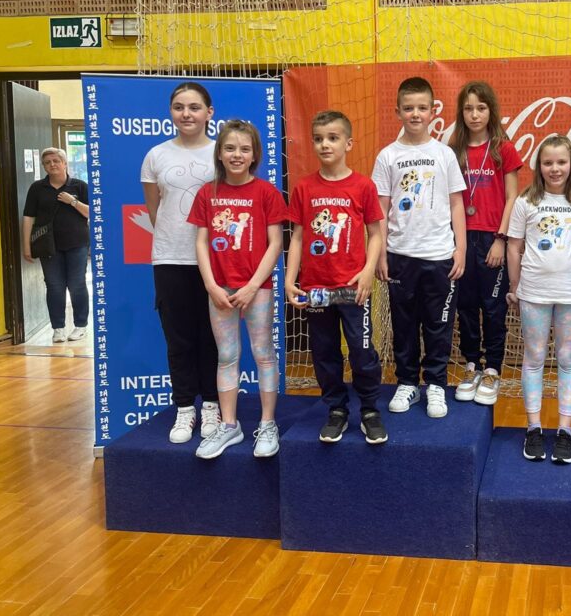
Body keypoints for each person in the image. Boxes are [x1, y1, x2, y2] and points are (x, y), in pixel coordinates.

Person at [188, 119, 287, 459]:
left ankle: (268, 423)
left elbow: (276, 244)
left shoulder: (267, 193)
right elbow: (200, 242)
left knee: (263, 353)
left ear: (254, 155)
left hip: (257, 290)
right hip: (220, 290)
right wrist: (211, 285)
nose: (237, 154)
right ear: (219, 152)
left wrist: (252, 286)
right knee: (227, 355)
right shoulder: (207, 192)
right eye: (230, 148)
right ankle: (229, 424)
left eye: (244, 149)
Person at [287, 111, 387, 445]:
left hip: (354, 287)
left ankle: (369, 410)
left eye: (332, 138)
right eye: (318, 139)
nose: (325, 144)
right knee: (324, 352)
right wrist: (290, 280)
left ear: (348, 143)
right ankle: (337, 410)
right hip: (316, 289)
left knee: (361, 351)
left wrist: (368, 271)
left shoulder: (363, 186)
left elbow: (376, 233)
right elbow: (297, 237)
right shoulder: (304, 187)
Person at [372, 77, 467, 418]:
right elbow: (380, 208)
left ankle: (437, 384)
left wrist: (460, 249)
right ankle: (408, 382)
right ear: (397, 111)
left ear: (432, 112)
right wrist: (381, 253)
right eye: (408, 108)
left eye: (422, 108)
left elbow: (456, 203)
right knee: (404, 324)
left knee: (439, 324)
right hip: (400, 255)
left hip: (440, 256)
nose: (415, 114)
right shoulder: (388, 156)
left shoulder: (444, 154)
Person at [141, 82, 221, 444]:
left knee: (213, 339)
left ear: (209, 113)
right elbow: (156, 211)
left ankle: (212, 406)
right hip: (170, 258)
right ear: (171, 112)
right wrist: (177, 239)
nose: (186, 114)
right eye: (179, 107)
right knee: (179, 339)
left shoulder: (221, 153)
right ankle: (185, 407)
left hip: (216, 261)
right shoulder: (156, 155)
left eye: (194, 107)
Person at [506, 136, 571, 464]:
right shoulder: (526, 201)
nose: (555, 169)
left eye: (561, 162)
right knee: (534, 357)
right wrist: (515, 286)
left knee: (567, 359)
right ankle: (533, 427)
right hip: (533, 292)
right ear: (539, 166)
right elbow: (513, 247)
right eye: (548, 162)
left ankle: (565, 431)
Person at [450, 81, 522, 406]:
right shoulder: (454, 150)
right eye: (468, 108)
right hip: (462, 239)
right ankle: (471, 365)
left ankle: (492, 368)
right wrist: (457, 244)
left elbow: (512, 197)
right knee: (465, 307)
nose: (475, 114)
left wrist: (501, 239)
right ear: (461, 113)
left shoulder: (503, 148)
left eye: (481, 108)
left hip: (493, 239)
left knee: (493, 309)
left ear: (491, 110)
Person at [22, 147, 90, 343]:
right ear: (44, 166)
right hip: (48, 246)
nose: (52, 165)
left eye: (56, 161)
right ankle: (58, 328)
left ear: (64, 163)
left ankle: (80, 325)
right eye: (47, 162)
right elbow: (28, 217)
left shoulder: (79, 186)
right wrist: (26, 245)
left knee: (77, 284)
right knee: (54, 286)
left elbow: (93, 213)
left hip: (77, 243)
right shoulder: (37, 188)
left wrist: (73, 202)